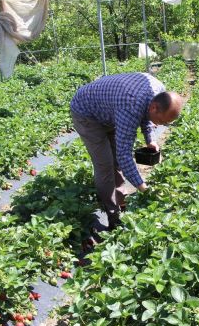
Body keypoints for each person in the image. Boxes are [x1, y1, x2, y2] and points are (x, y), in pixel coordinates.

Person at [70, 72, 183, 230]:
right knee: (105, 165)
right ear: (155, 107)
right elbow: (124, 155)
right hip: (86, 113)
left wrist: (150, 139)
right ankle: (113, 215)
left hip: (109, 109)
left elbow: (146, 113)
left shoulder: (158, 91)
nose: (162, 125)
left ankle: (121, 201)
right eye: (163, 121)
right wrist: (142, 187)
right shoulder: (130, 106)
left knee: (116, 162)